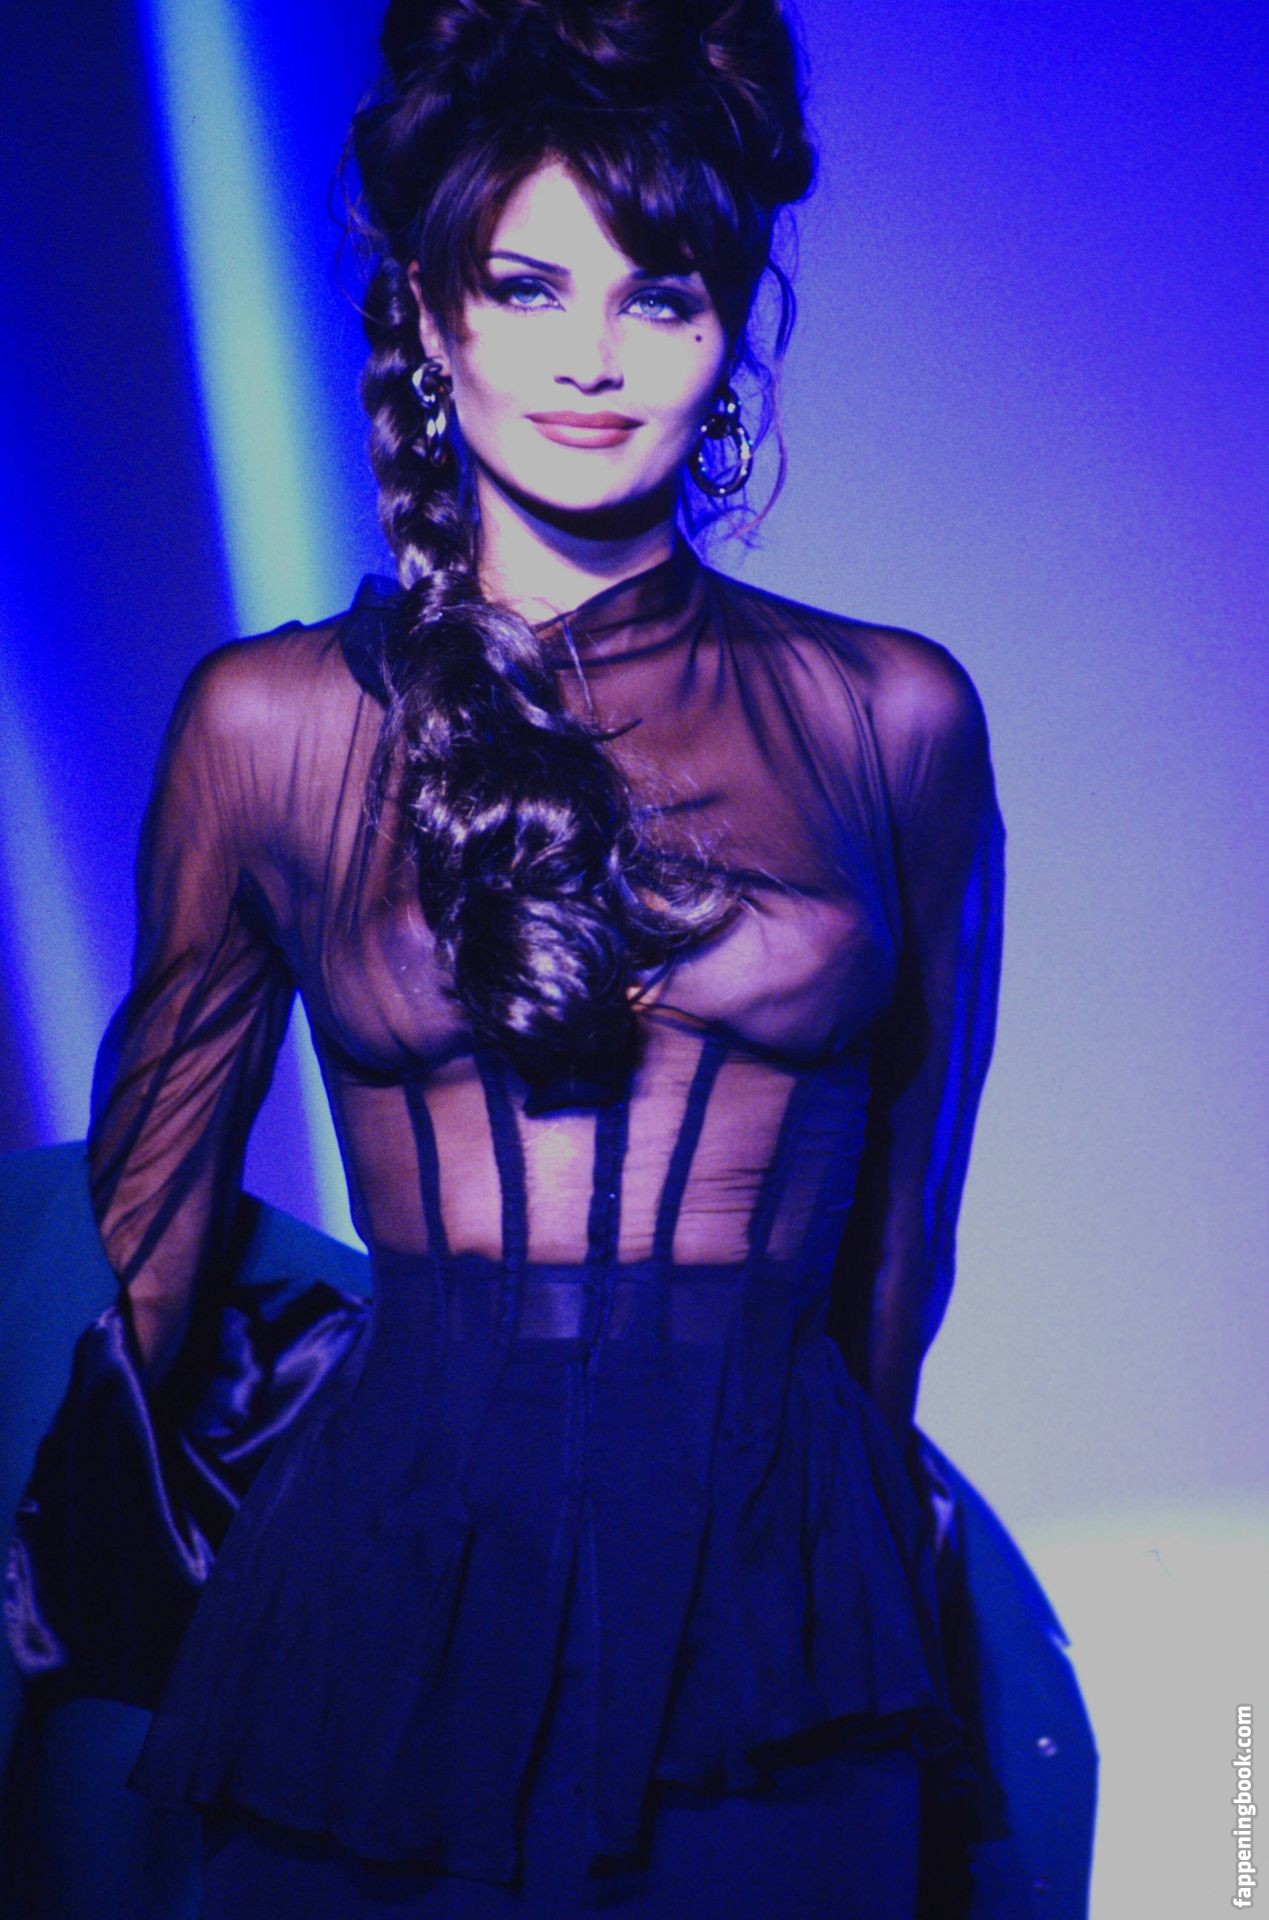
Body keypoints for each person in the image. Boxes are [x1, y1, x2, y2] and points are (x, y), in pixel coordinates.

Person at [4, 0, 1007, 1914]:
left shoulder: (894, 719)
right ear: (430, 310)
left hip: (782, 1623)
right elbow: (143, 1242)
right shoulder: (270, 726)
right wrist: (47, 1669)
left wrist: (866, 1581)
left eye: (658, 294)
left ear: (731, 322)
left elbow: (906, 1235)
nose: (590, 359)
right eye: (526, 286)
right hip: (377, 1595)